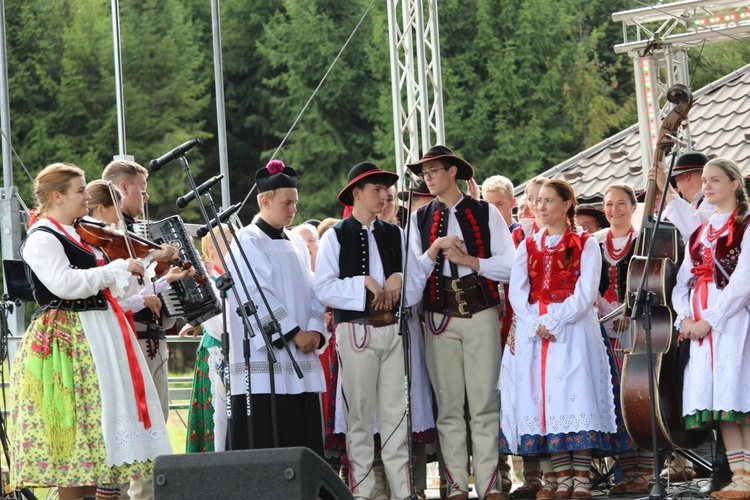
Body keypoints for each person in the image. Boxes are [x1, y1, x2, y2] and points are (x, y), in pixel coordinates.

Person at [9, 163, 172, 500]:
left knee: (97, 445)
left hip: (98, 333)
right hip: (68, 339)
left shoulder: (78, 233)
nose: (87, 196)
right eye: (80, 190)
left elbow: (112, 291)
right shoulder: (42, 236)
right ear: (58, 196)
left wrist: (138, 266)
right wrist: (115, 268)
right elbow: (64, 283)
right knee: (76, 443)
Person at [499, 179, 631, 500]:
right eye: (538, 201)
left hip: (573, 328)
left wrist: (555, 320)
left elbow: (586, 292)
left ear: (566, 204)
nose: (540, 207)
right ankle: (560, 478)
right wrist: (536, 321)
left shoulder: (584, 243)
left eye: (548, 201)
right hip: (536, 331)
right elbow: (518, 292)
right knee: (546, 399)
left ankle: (581, 478)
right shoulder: (527, 245)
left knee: (576, 394)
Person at [407, 145, 515, 500]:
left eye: (434, 170)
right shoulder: (419, 220)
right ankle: (454, 485)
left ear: (453, 171)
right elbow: (412, 277)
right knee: (449, 406)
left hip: (481, 312)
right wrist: (433, 250)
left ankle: (489, 484)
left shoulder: (485, 212)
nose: (428, 178)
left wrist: (470, 260)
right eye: (424, 173)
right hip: (438, 317)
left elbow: (511, 265)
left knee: (485, 402)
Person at [315, 161, 428, 500]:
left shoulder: (396, 232)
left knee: (397, 414)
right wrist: (362, 283)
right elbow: (323, 288)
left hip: (393, 329)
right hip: (356, 332)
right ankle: (362, 492)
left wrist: (398, 280)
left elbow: (416, 284)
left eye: (385, 190)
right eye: (376, 190)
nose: (383, 196)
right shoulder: (336, 235)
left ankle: (403, 491)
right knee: (360, 415)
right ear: (357, 193)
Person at [224, 159, 328, 452]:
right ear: (265, 201)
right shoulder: (247, 241)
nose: (294, 209)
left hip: (303, 352)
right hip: (269, 361)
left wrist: (315, 330)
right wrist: (295, 333)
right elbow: (256, 294)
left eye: (295, 202)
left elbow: (314, 288)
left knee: (302, 438)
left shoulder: (296, 242)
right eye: (287, 203)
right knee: (269, 439)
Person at [672, 158, 750, 499]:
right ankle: (740, 477)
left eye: (714, 179)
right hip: (702, 325)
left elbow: (743, 282)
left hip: (735, 319)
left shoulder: (746, 224)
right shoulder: (701, 231)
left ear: (734, 184)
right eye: (703, 180)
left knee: (741, 397)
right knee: (724, 404)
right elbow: (681, 283)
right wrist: (685, 317)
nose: (706, 185)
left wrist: (710, 319)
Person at [592, 184, 653, 494]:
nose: (613, 209)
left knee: (640, 396)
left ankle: (647, 470)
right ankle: (628, 471)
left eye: (620, 203)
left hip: (638, 327)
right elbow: (588, 284)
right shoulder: (594, 243)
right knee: (615, 399)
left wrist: (629, 310)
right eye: (608, 204)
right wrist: (606, 311)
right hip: (605, 329)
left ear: (632, 206)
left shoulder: (644, 240)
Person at [180, 225, 233, 453]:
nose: (234, 246)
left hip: (227, 350)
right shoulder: (206, 276)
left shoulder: (222, 275)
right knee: (216, 419)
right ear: (212, 246)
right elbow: (217, 320)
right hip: (217, 351)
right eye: (230, 241)